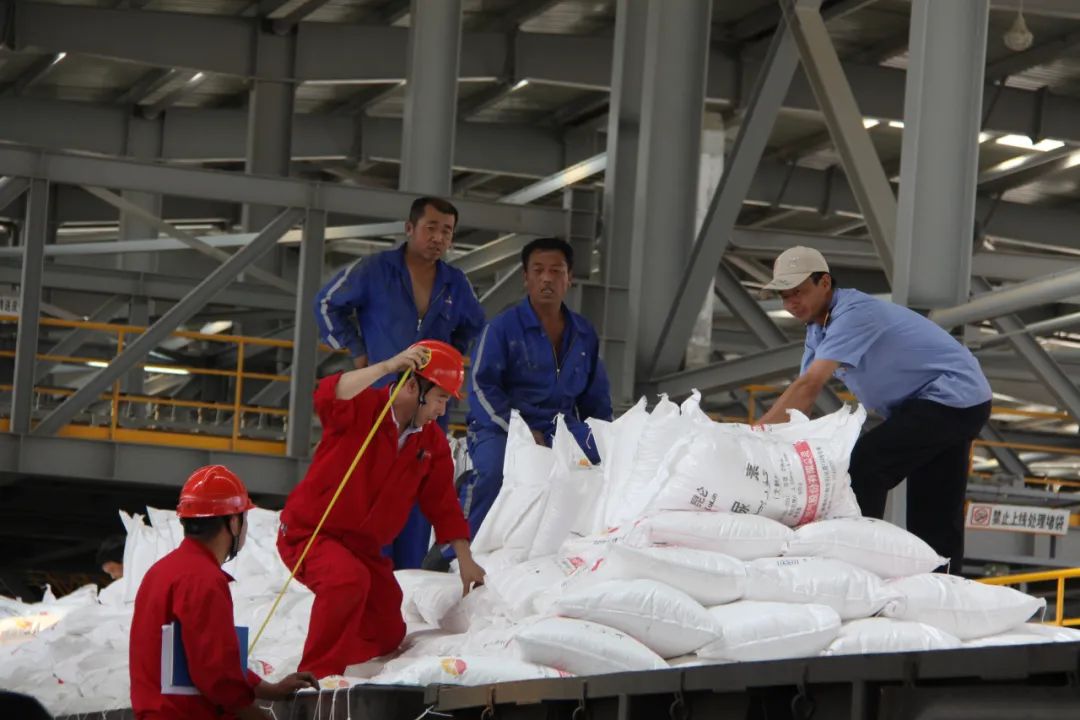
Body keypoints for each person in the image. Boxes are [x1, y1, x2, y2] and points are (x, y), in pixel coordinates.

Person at [756, 246, 992, 572]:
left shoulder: (854, 314)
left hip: (950, 396)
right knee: (934, 508)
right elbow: (800, 399)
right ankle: (944, 583)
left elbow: (810, 385)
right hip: (943, 403)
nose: (790, 303)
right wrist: (764, 438)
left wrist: (754, 436)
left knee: (864, 466)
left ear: (824, 282)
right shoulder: (818, 328)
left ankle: (860, 563)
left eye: (798, 292)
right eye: (784, 296)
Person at [276, 340, 486, 679]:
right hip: (310, 534)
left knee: (388, 629)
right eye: (440, 398)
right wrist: (388, 366)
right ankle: (312, 680)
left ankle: (339, 658)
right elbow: (328, 394)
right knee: (346, 581)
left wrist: (465, 559)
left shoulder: (430, 444)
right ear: (413, 386)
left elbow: (442, 503)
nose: (442, 410)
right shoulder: (361, 409)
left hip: (363, 549)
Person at [313, 196, 486, 569]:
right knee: (366, 486)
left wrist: (448, 360)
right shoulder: (375, 270)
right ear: (409, 229)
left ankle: (404, 576)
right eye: (431, 228)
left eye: (447, 231)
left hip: (428, 408)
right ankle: (359, 568)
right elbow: (326, 304)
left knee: (420, 486)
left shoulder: (456, 284)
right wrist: (357, 351)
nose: (439, 237)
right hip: (378, 402)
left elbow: (474, 325)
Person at [130, 465, 317, 720]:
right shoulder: (202, 579)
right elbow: (217, 678)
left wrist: (269, 690)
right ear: (233, 522)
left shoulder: (162, 573)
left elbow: (204, 658)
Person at [465, 237, 613, 539]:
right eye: (538, 270)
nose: (547, 278)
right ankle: (453, 548)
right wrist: (518, 429)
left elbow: (595, 398)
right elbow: (482, 385)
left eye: (556, 271)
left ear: (569, 279)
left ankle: (590, 546)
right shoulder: (502, 328)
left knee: (605, 468)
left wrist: (606, 439)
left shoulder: (583, 334)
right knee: (494, 473)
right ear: (526, 278)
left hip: (561, 427)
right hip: (500, 427)